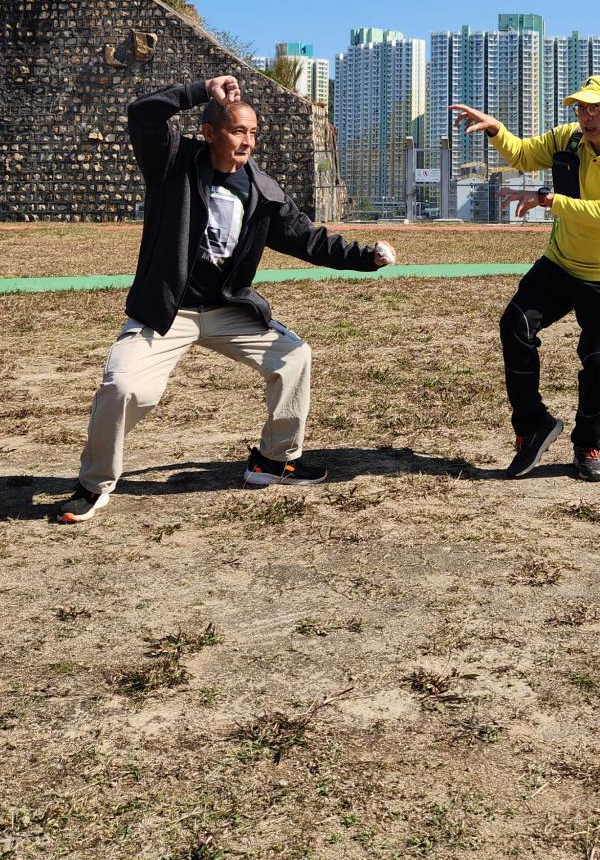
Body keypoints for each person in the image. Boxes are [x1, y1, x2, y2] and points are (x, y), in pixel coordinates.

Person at [56, 74, 396, 523]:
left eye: (253, 132)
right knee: (124, 388)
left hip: (226, 309)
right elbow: (142, 113)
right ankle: (94, 484)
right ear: (210, 132)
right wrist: (201, 90)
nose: (248, 141)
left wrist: (367, 258)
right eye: (238, 130)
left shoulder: (261, 190)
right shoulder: (172, 163)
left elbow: (309, 240)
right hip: (167, 311)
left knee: (293, 357)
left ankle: (274, 461)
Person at [451, 74, 600, 483]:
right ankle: (533, 426)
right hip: (561, 262)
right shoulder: (568, 139)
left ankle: (587, 445)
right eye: (580, 108)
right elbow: (524, 155)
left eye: (594, 108)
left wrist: (548, 200)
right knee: (515, 324)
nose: (585, 116)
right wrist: (496, 130)